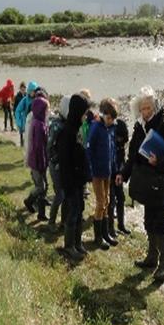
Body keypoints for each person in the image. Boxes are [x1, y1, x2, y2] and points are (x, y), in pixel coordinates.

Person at [116, 86, 164, 282]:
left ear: (154, 107)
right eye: (142, 109)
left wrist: (160, 163)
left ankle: (163, 265)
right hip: (147, 183)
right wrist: (123, 173)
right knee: (148, 220)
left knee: (159, 221)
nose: (145, 112)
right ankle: (151, 257)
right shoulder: (139, 128)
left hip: (162, 182)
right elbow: (133, 157)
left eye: (148, 108)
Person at [58, 94, 92, 260]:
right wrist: (68, 184)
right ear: (77, 111)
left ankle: (77, 243)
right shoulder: (67, 132)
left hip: (79, 181)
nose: (86, 116)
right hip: (71, 182)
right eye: (84, 113)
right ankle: (68, 246)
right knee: (72, 213)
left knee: (79, 211)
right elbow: (65, 162)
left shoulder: (78, 128)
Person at [86, 98, 120, 249]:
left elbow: (112, 151)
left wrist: (115, 169)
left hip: (107, 172)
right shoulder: (96, 128)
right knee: (100, 202)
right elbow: (89, 149)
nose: (111, 121)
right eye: (109, 118)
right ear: (103, 115)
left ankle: (105, 233)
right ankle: (98, 237)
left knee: (106, 201)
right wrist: (90, 169)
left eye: (113, 119)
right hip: (97, 172)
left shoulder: (110, 129)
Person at [23, 95, 50, 222]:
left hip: (39, 160)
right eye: (46, 110)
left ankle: (41, 212)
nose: (47, 112)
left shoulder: (38, 122)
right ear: (40, 110)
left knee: (44, 186)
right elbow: (39, 147)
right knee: (41, 187)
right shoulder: (38, 125)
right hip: (38, 161)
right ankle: (29, 201)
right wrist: (42, 163)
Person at [46, 95, 70, 230]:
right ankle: (51, 221)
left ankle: (63, 221)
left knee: (65, 193)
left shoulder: (67, 124)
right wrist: (56, 161)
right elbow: (49, 147)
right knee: (60, 194)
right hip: (55, 165)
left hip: (63, 164)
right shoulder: (56, 126)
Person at [108, 117, 130, 235]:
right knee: (110, 202)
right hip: (110, 175)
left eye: (122, 137)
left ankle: (121, 225)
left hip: (118, 175)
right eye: (118, 137)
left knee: (121, 198)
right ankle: (110, 228)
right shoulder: (110, 144)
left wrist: (121, 173)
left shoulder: (121, 146)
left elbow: (122, 161)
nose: (120, 139)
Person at [15, 81, 38, 147]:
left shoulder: (38, 100)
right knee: (27, 142)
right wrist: (19, 123)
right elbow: (17, 111)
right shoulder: (25, 100)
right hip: (27, 124)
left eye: (34, 91)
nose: (33, 92)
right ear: (29, 91)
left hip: (36, 124)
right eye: (31, 91)